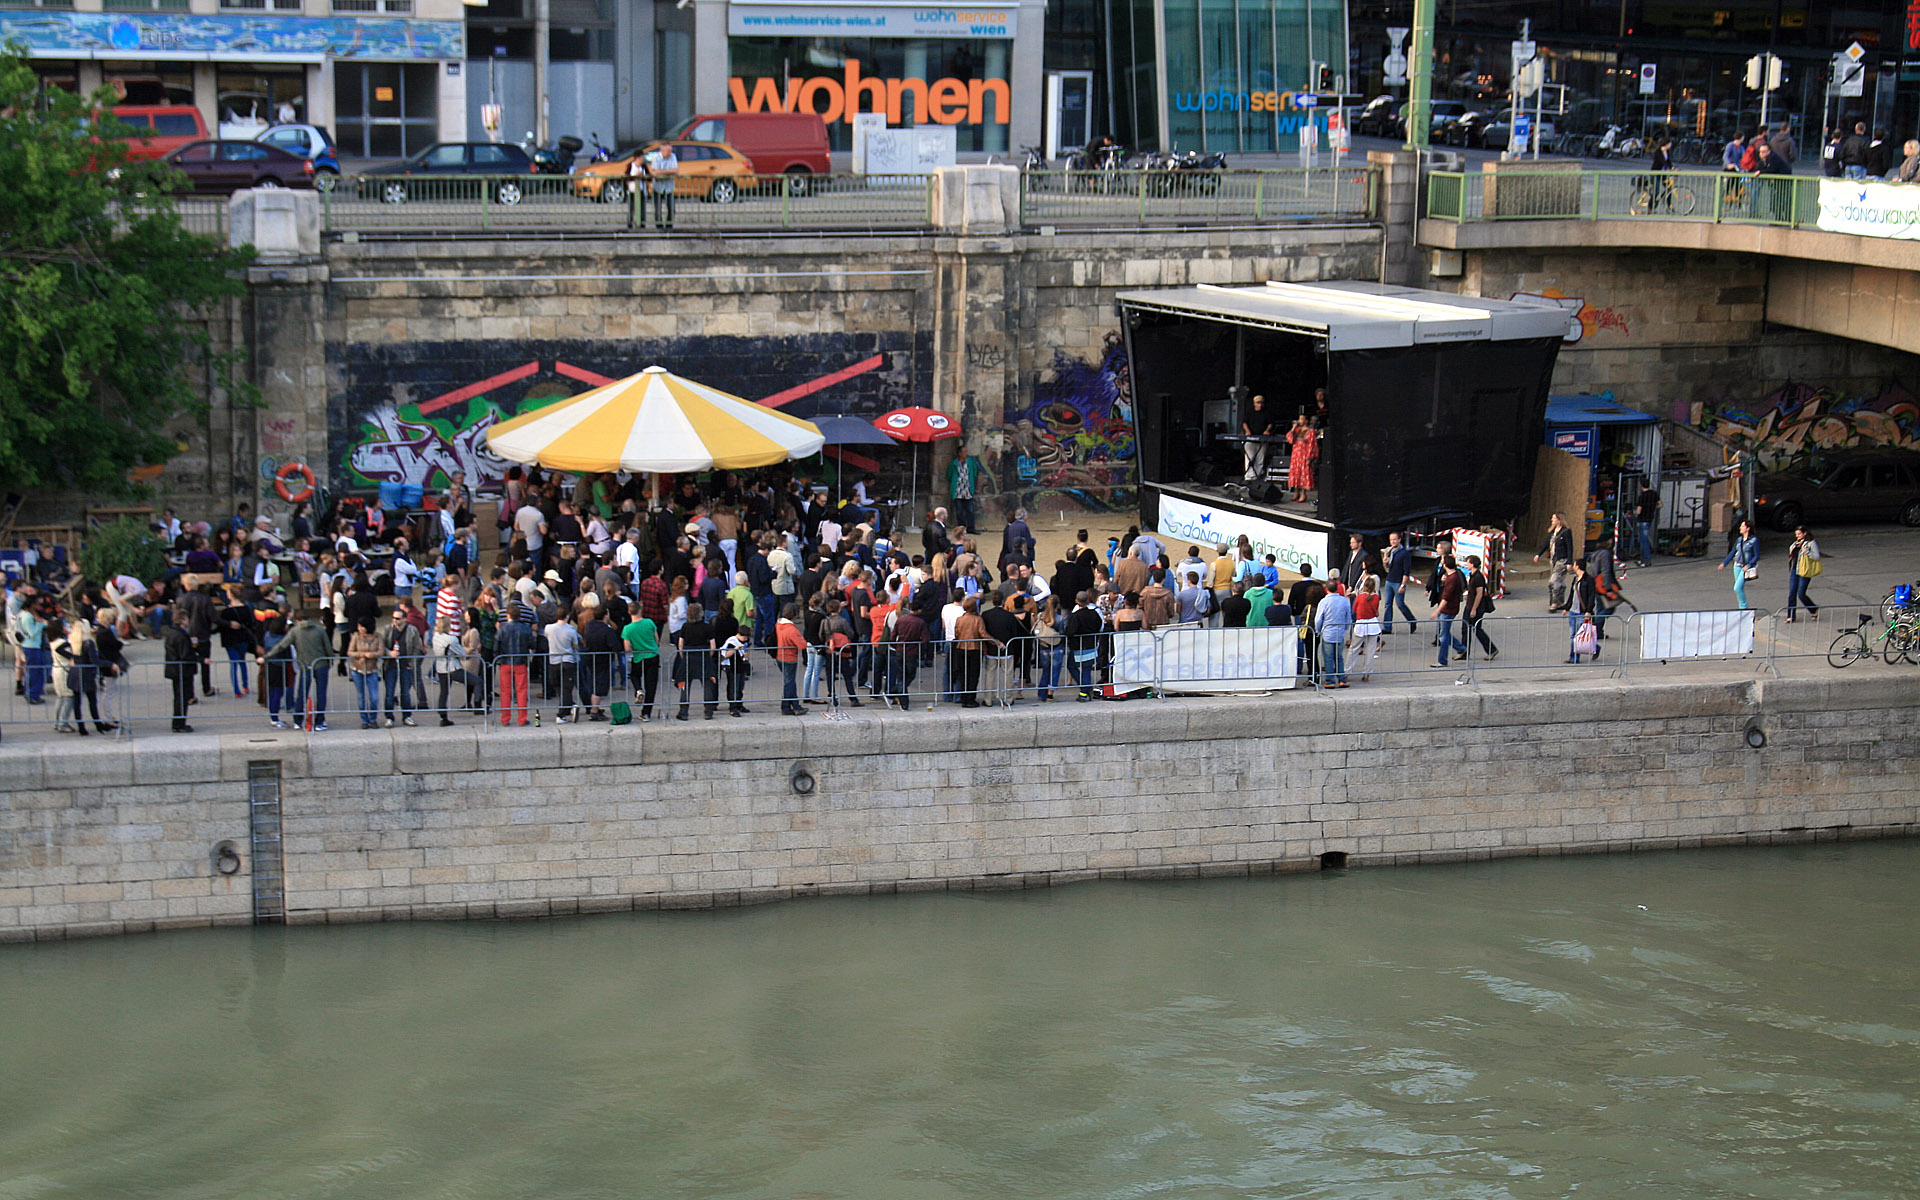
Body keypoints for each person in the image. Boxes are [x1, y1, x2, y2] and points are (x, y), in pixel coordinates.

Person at [675, 602, 719, 720]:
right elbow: (713, 645)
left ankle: (683, 712)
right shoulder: (707, 626)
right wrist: (708, 655)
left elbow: (680, 644)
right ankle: (708, 712)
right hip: (703, 655)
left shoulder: (685, 626)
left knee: (685, 684)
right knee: (707, 684)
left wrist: (682, 655)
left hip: (689, 656)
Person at [495, 602, 535, 726]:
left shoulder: (502, 628)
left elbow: (496, 646)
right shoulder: (525, 628)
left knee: (505, 691)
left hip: (505, 661)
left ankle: (505, 719)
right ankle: (522, 719)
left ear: (508, 615)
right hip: (521, 662)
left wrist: (498, 659)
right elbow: (533, 644)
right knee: (522, 691)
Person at [1064, 591, 1104, 701]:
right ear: (1087, 601)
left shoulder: (1075, 616)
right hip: (1091, 645)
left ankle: (1084, 691)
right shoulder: (1094, 614)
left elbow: (1070, 631)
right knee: (1086, 669)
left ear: (1076, 601)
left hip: (1078, 646)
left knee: (1071, 666)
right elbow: (1100, 627)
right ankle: (1085, 689)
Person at [1313, 582, 1353, 688]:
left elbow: (1318, 619)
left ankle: (1330, 680)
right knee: (1339, 657)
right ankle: (1341, 679)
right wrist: (1345, 628)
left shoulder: (1324, 602)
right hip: (1339, 632)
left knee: (1328, 658)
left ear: (1326, 589)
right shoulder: (1344, 601)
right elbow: (1348, 616)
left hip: (1327, 632)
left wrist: (1318, 630)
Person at [1462, 554, 1499, 660]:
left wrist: (1474, 609)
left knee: (1476, 628)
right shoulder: (1472, 575)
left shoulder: (1478, 577)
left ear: (1472, 564)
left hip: (1475, 607)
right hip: (1469, 604)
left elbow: (1479, 594)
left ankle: (1491, 649)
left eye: (1468, 562)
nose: (1467, 564)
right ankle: (1464, 651)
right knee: (1466, 628)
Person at [1430, 554, 1466, 668]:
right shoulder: (1452, 575)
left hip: (1448, 609)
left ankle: (1442, 660)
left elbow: (1446, 597)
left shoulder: (1452, 579)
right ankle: (1461, 648)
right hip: (1448, 608)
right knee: (1444, 633)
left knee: (1443, 636)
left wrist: (1436, 611)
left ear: (1445, 564)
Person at [1533, 513, 1573, 611]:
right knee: (1559, 582)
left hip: (1562, 560)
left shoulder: (1566, 532)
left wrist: (1569, 562)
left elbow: (1570, 548)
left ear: (1559, 520)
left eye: (1554, 518)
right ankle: (1560, 602)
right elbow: (1546, 544)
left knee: (1553, 581)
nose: (1552, 520)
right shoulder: (1552, 532)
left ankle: (1554, 603)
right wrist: (1538, 554)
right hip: (1553, 560)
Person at [1718, 519, 1761, 610]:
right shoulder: (1739, 540)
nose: (1740, 528)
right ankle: (1741, 607)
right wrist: (1724, 563)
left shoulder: (1754, 540)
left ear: (1748, 528)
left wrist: (1749, 565)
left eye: (1742, 526)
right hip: (1737, 565)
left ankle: (1743, 608)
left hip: (1745, 567)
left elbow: (1756, 555)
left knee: (1737, 588)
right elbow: (1733, 552)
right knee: (1739, 588)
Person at [1565, 558, 1601, 663]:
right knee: (1573, 635)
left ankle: (1590, 650)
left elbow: (1591, 596)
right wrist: (1567, 607)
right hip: (1573, 611)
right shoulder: (1575, 579)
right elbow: (1572, 595)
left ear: (1578, 566)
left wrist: (1588, 611)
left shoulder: (1589, 580)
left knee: (1579, 635)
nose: (1573, 566)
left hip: (1582, 612)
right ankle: (1574, 657)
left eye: (1574, 564)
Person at [163, 614, 195, 733]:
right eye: (187, 619)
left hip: (175, 670)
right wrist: (199, 658)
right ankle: (179, 724)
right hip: (182, 671)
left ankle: (178, 722)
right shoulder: (181, 636)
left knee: (178, 697)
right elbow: (185, 655)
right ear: (182, 621)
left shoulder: (172, 633)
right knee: (182, 697)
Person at [347, 617, 381, 729]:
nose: (359, 628)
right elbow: (350, 652)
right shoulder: (356, 637)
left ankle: (373, 718)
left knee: (374, 697)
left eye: (362, 626)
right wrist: (361, 655)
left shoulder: (377, 636)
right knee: (361, 696)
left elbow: (381, 651)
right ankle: (364, 719)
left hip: (372, 670)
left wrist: (372, 655)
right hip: (358, 670)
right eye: (359, 626)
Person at [1381, 531, 1417, 634]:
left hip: (1398, 582)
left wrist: (1403, 585)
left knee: (1400, 603)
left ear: (1399, 539)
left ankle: (1412, 620)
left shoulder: (1404, 553)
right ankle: (1387, 627)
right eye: (1391, 540)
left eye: (1394, 539)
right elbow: (1388, 568)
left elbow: (1406, 571)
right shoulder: (1390, 551)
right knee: (1388, 604)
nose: (1392, 541)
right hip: (1389, 580)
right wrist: (1386, 563)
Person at [775, 602, 807, 716]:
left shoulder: (779, 624)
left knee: (789, 682)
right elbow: (802, 645)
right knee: (789, 683)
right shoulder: (792, 629)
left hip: (780, 656)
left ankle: (794, 705)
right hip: (789, 658)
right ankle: (787, 706)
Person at [1349, 576, 1382, 682]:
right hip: (1373, 624)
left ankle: (1347, 671)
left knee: (1354, 649)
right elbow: (1375, 610)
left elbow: (1354, 609)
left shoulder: (1360, 597)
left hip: (1361, 624)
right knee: (1370, 650)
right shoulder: (1376, 597)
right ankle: (1367, 673)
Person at [1785, 525, 1821, 622]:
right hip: (1794, 570)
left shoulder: (1810, 543)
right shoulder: (1796, 543)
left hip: (1804, 570)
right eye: (1796, 534)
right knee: (1792, 593)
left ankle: (1813, 608)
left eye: (1799, 534)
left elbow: (1817, 556)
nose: (1797, 536)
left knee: (1801, 594)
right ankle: (1791, 616)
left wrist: (1807, 552)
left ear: (1805, 533)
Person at [1240, 393, 1276, 481]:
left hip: (1262, 439)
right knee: (1250, 458)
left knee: (1260, 459)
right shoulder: (1250, 412)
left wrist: (1267, 430)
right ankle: (1249, 477)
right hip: (1250, 439)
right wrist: (1247, 431)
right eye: (1258, 403)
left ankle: (1257, 477)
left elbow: (1270, 423)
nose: (1260, 405)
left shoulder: (1267, 412)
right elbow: (1244, 422)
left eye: (1261, 403)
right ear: (1254, 403)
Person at [947, 447, 982, 533]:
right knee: (959, 511)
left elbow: (974, 473)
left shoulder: (970, 462)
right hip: (958, 490)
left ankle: (971, 528)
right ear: (959, 453)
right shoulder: (954, 463)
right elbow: (949, 475)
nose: (966, 453)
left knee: (970, 510)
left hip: (967, 489)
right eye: (964, 452)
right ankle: (961, 529)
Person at [645, 141, 679, 230]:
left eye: (671, 151)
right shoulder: (656, 157)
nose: (670, 153)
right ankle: (659, 227)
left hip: (669, 187)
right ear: (662, 151)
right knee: (658, 209)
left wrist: (663, 172)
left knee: (672, 209)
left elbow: (675, 171)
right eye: (668, 151)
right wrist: (669, 172)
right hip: (658, 187)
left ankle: (669, 225)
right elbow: (656, 172)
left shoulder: (673, 156)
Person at [1286, 412, 1317, 503]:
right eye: (1299, 419)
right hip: (1296, 454)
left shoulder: (1310, 431)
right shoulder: (1297, 429)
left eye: (1302, 419)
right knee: (1295, 473)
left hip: (1304, 454)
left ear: (1306, 421)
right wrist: (1293, 427)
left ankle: (1303, 494)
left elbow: (1312, 445)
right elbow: (1290, 439)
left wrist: (1309, 458)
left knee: (1303, 474)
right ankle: (1296, 493)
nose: (1300, 421)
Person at [1634, 483, 1659, 566]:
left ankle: (1646, 560)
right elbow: (1660, 504)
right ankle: (1642, 559)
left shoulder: (1642, 497)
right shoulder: (1654, 494)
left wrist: (1635, 512)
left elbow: (1638, 511)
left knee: (1643, 540)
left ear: (1641, 486)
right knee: (1644, 539)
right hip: (1650, 518)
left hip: (1642, 520)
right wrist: (1652, 508)